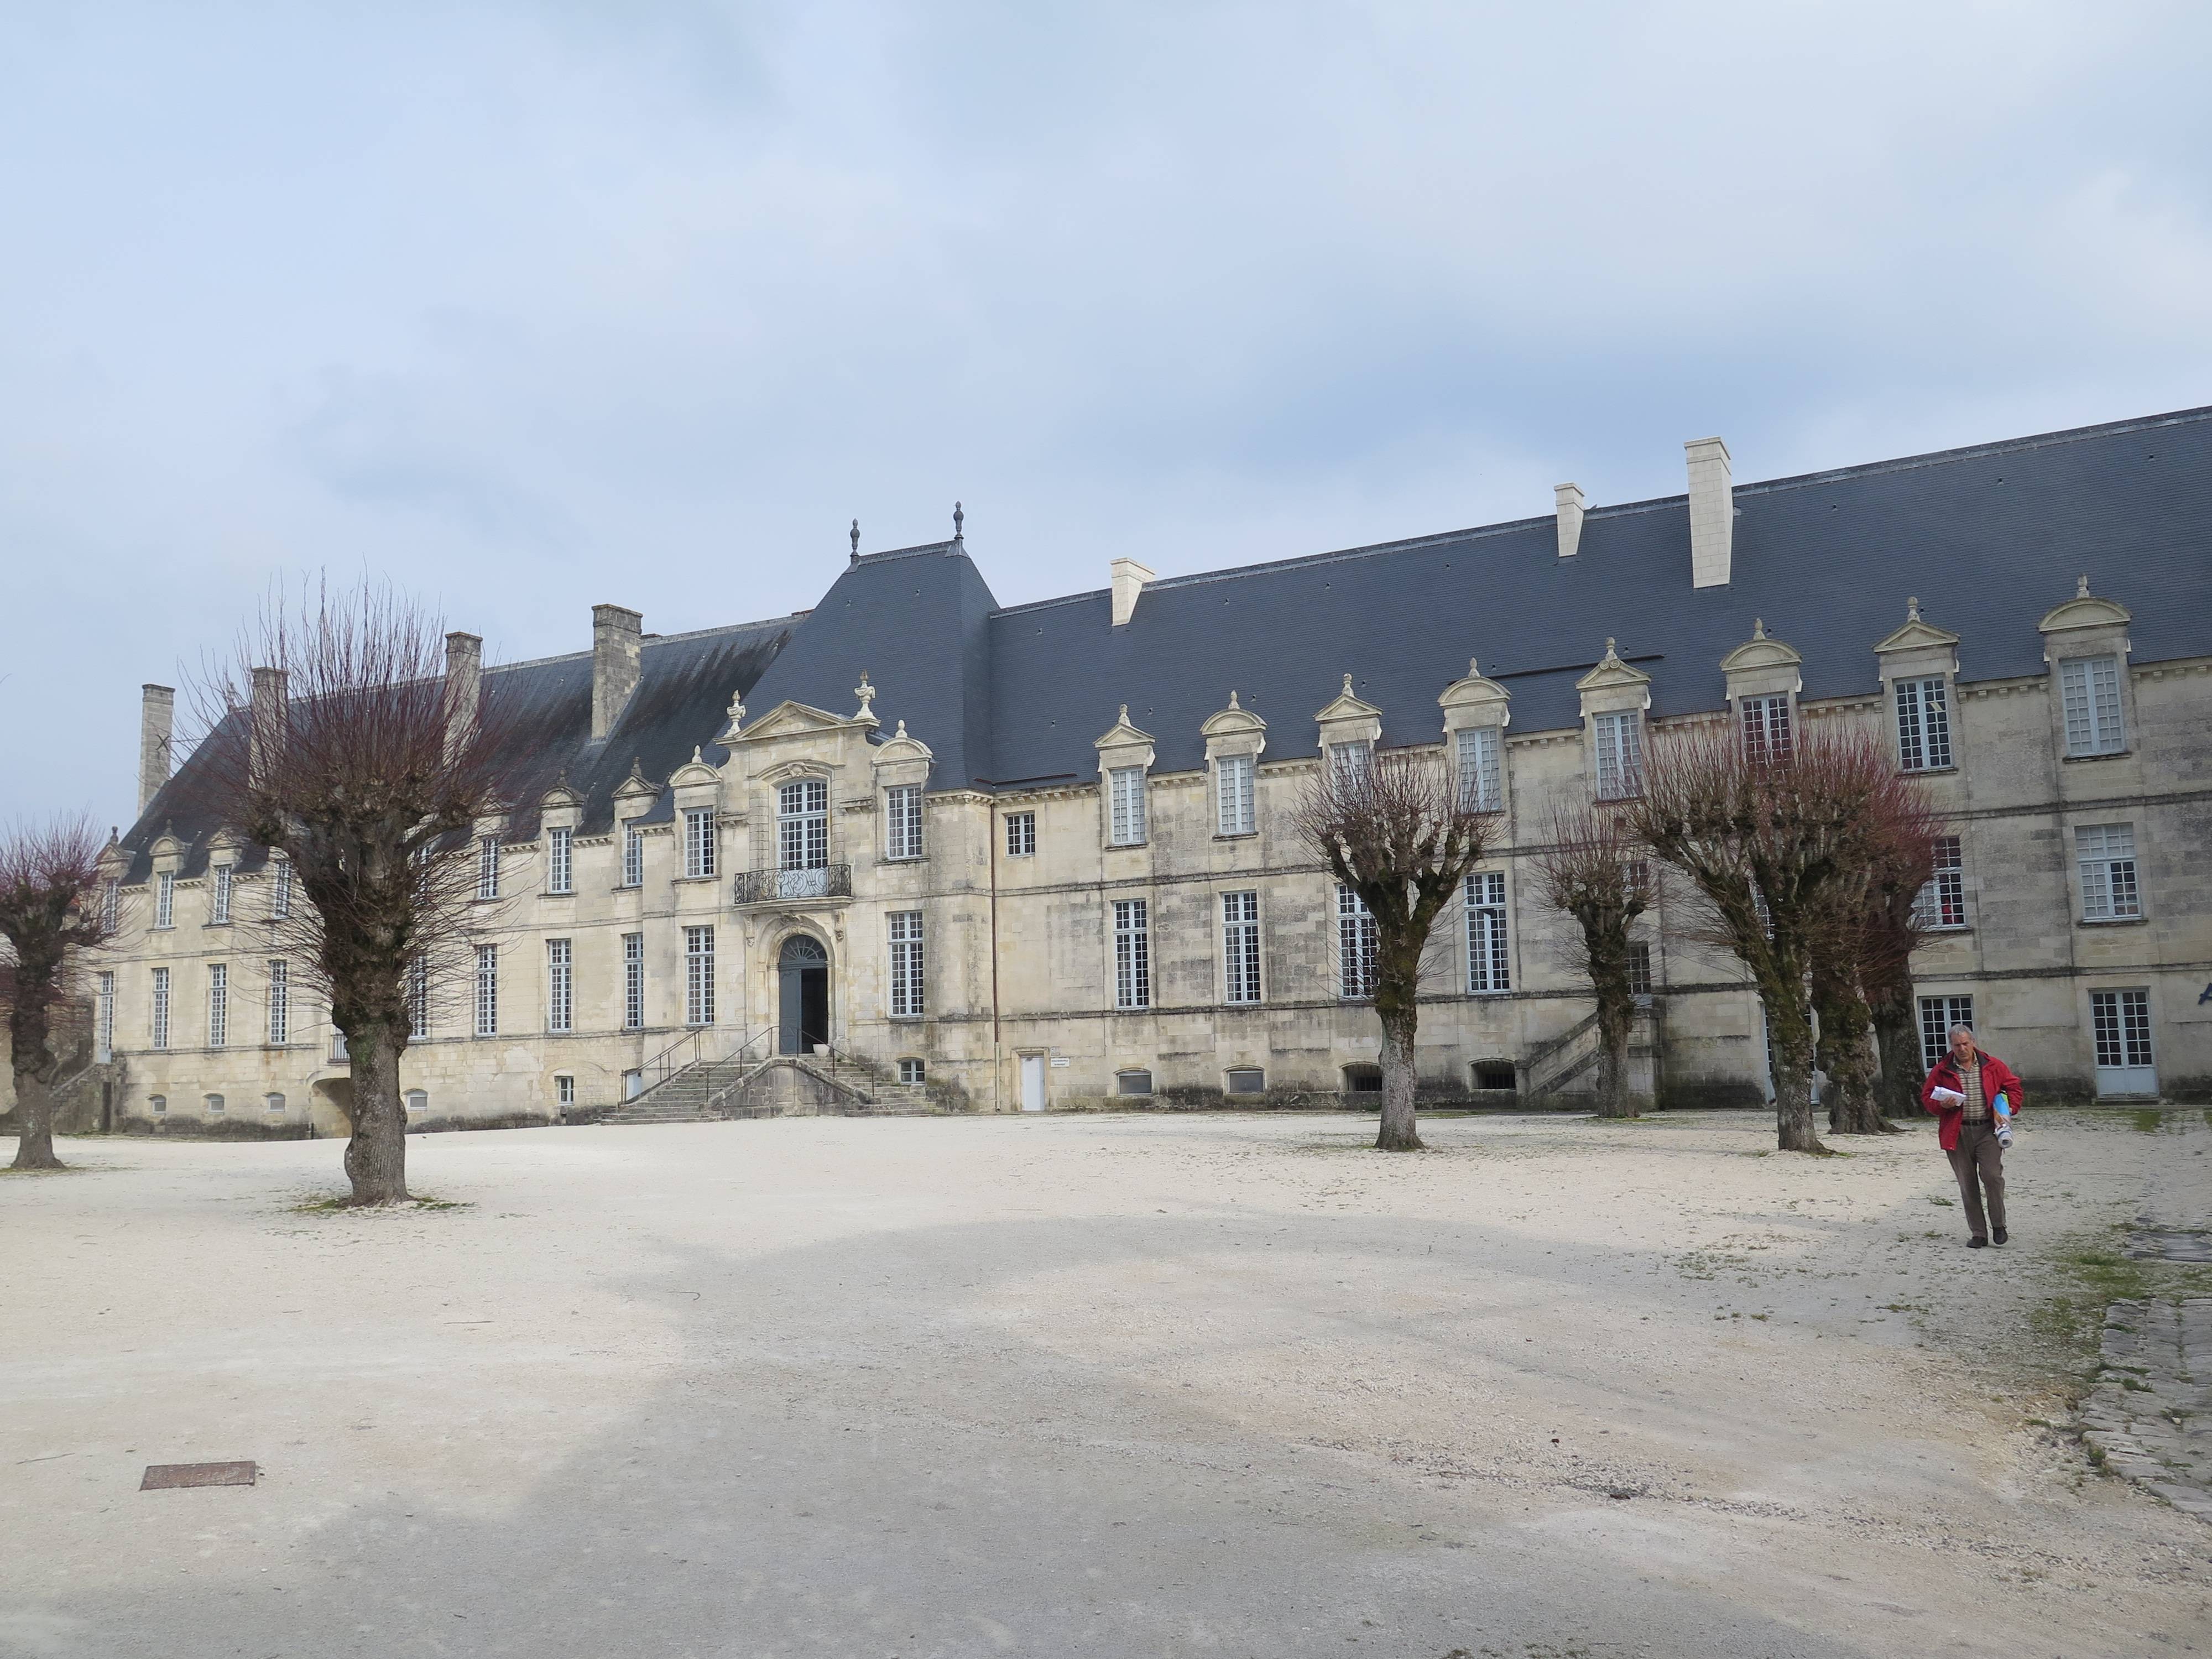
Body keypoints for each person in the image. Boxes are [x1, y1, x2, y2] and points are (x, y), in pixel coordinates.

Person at [1921, 1023, 2023, 1248]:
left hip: (1988, 1130)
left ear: (1973, 1042)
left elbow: (2014, 1087)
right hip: (1957, 1132)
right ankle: (1979, 1233)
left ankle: (1999, 1225)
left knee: (1992, 1176)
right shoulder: (1942, 1070)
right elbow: (1927, 1099)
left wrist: (2008, 1110)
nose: (1962, 1048)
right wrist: (1943, 1106)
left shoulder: (1993, 1066)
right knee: (1968, 1184)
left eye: (1966, 1043)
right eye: (1957, 1045)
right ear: (1952, 1046)